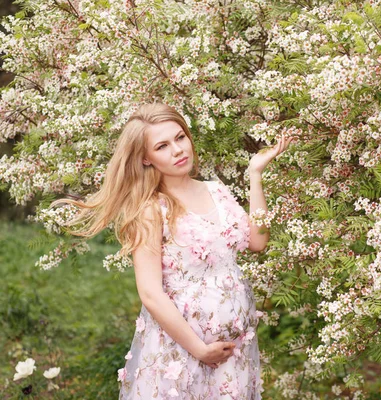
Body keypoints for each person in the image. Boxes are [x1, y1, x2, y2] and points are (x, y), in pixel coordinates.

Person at [52, 103, 295, 399]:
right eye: (162, 146)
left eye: (180, 138)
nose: (178, 150)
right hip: (181, 352)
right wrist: (200, 349)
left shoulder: (216, 190)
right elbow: (151, 293)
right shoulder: (152, 210)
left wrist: (255, 174)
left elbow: (257, 242)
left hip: (233, 352)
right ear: (146, 158)